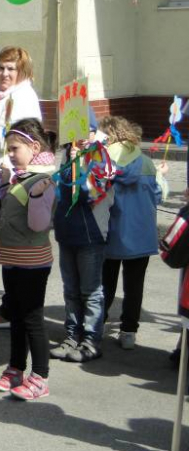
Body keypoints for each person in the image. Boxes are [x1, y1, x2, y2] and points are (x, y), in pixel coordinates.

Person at [0, 119, 57, 400]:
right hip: (12, 259)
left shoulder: (42, 180)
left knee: (32, 319)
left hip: (32, 262)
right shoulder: (23, 177)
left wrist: (39, 198)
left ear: (34, 147)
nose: (11, 154)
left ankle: (40, 376)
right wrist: (5, 186)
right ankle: (15, 368)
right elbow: (12, 211)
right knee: (15, 316)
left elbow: (39, 224)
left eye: (15, 148)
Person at [98, 116, 167, 350]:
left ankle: (98, 324)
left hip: (112, 231)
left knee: (105, 282)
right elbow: (157, 196)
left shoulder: (104, 160)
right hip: (141, 234)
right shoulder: (146, 162)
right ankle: (128, 331)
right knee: (134, 285)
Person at [50, 135, 116, 363]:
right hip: (67, 233)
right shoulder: (68, 155)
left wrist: (78, 161)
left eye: (87, 130)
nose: (80, 136)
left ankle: (91, 340)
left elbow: (88, 194)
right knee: (71, 290)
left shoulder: (101, 157)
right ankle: (71, 335)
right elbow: (63, 193)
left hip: (91, 235)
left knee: (90, 291)